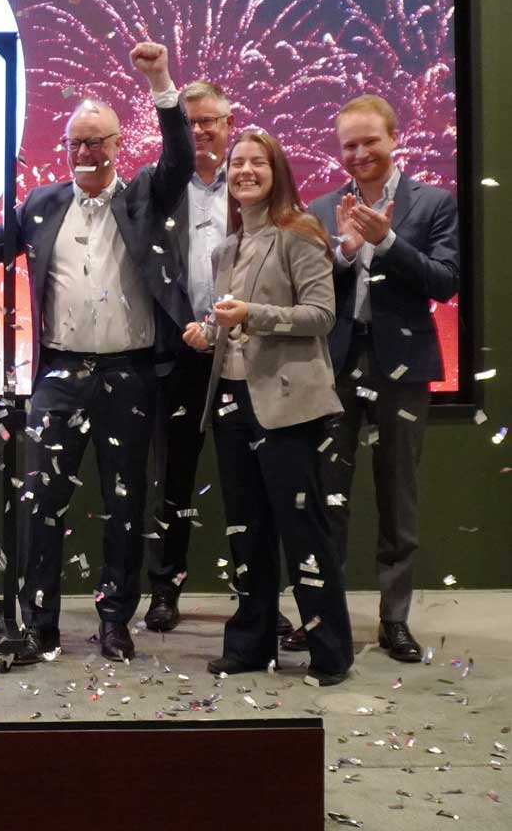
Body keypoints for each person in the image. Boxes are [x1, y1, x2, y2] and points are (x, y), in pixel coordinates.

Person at [0, 42, 193, 666]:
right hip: (61, 374)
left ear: (117, 144)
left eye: (96, 142)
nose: (85, 153)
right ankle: (40, 623)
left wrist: (160, 83)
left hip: (130, 376)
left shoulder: (145, 197)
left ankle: (113, 620)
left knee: (126, 502)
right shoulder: (44, 205)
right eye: (75, 143)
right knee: (40, 501)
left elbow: (180, 157)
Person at [184, 129, 353, 685]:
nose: (245, 172)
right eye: (237, 164)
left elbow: (320, 316)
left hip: (287, 407)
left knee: (304, 531)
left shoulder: (300, 234)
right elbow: (229, 323)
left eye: (258, 163)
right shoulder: (224, 248)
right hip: (231, 402)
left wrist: (250, 314)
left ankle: (331, 651)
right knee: (246, 532)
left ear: (277, 172)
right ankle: (250, 645)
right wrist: (207, 334)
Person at [141, 82, 299, 641]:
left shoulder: (250, 189)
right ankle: (165, 590)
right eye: (190, 124)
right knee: (173, 480)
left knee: (256, 482)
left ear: (231, 125)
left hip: (246, 350)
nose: (201, 131)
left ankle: (259, 598)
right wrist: (194, 329)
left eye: (210, 122)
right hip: (181, 352)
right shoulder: (162, 188)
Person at [306, 94, 460, 663]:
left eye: (370, 140)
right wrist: (345, 253)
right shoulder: (322, 208)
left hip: (403, 366)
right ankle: (327, 618)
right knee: (327, 494)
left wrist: (387, 243)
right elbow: (308, 285)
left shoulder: (434, 204)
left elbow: (445, 282)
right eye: (349, 144)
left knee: (398, 493)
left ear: (394, 138)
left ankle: (394, 619)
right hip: (337, 363)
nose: (360, 153)